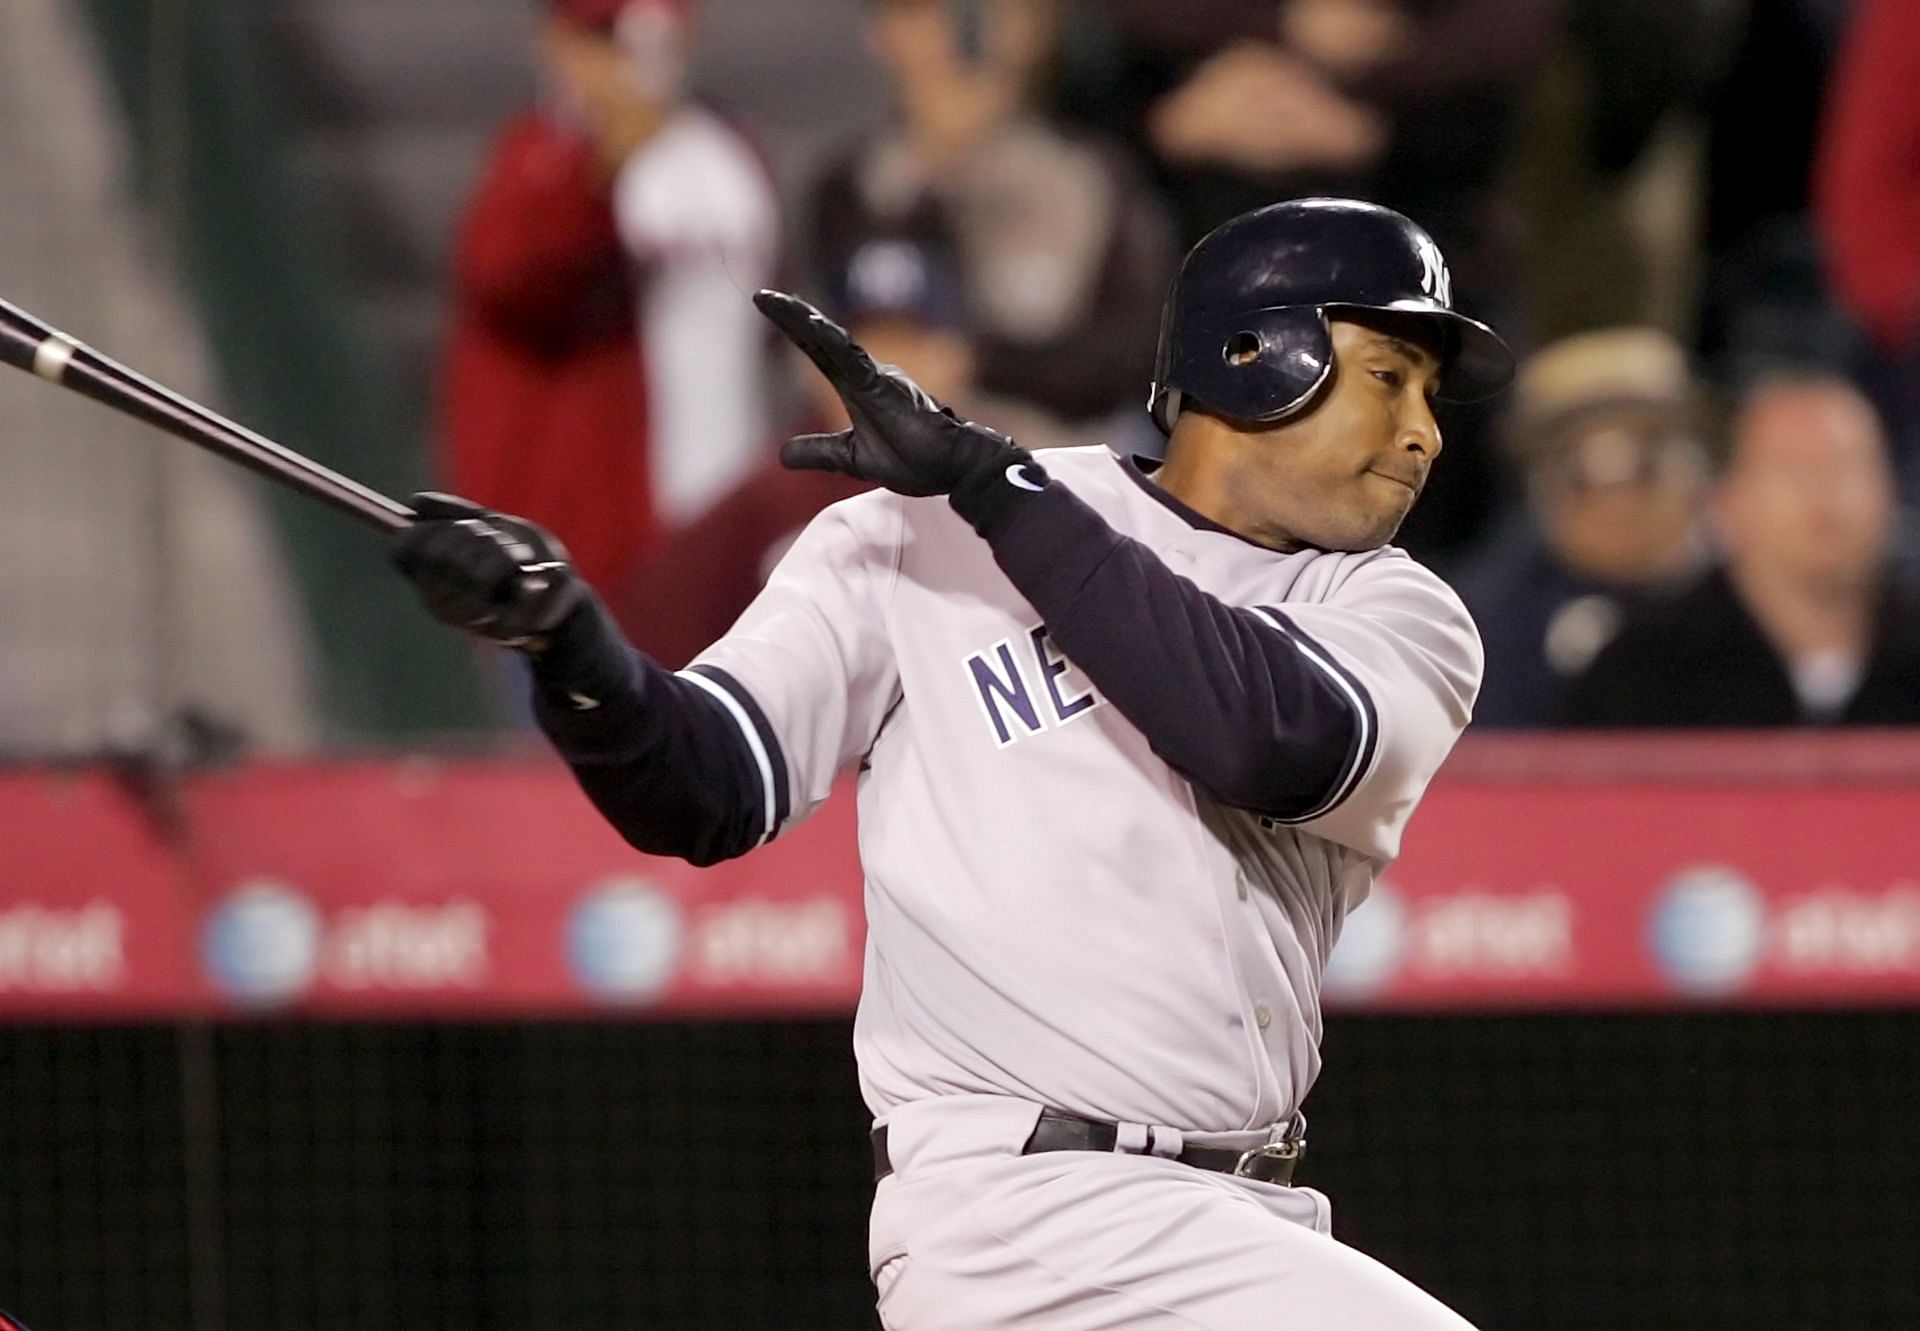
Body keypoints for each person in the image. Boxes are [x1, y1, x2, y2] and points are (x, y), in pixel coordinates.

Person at [393, 197, 1512, 1328]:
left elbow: (1266, 737)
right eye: (1390, 375)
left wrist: (996, 487)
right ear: (1258, 356)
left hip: (1237, 1219)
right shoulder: (917, 534)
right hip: (1023, 1206)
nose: (1425, 429)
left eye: (1428, 393)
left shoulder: (1397, 610)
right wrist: (569, 645)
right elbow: (706, 782)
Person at [440, 0, 777, 592]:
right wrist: (601, 168)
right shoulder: (541, 155)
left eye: (644, 40)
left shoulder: (725, 149)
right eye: (605, 38)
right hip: (589, 543)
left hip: (720, 510)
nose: (628, 62)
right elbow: (508, 280)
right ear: (557, 42)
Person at [809, 0, 1177, 452]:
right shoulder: (853, 183)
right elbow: (822, 335)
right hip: (893, 470)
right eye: (925, 15)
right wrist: (937, 166)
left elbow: (1135, 356)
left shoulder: (1088, 176)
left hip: (1057, 469)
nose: (951, 40)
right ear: (882, 34)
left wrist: (976, 362)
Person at [1564, 373, 1920, 727]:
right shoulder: (1644, 675)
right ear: (1726, 501)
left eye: (1849, 465)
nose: (1826, 492)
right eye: (1794, 469)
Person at [1456, 328, 1711, 727]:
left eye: (1646, 466)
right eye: (1580, 474)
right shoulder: (1492, 625)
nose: (1618, 501)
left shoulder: (1750, 597)